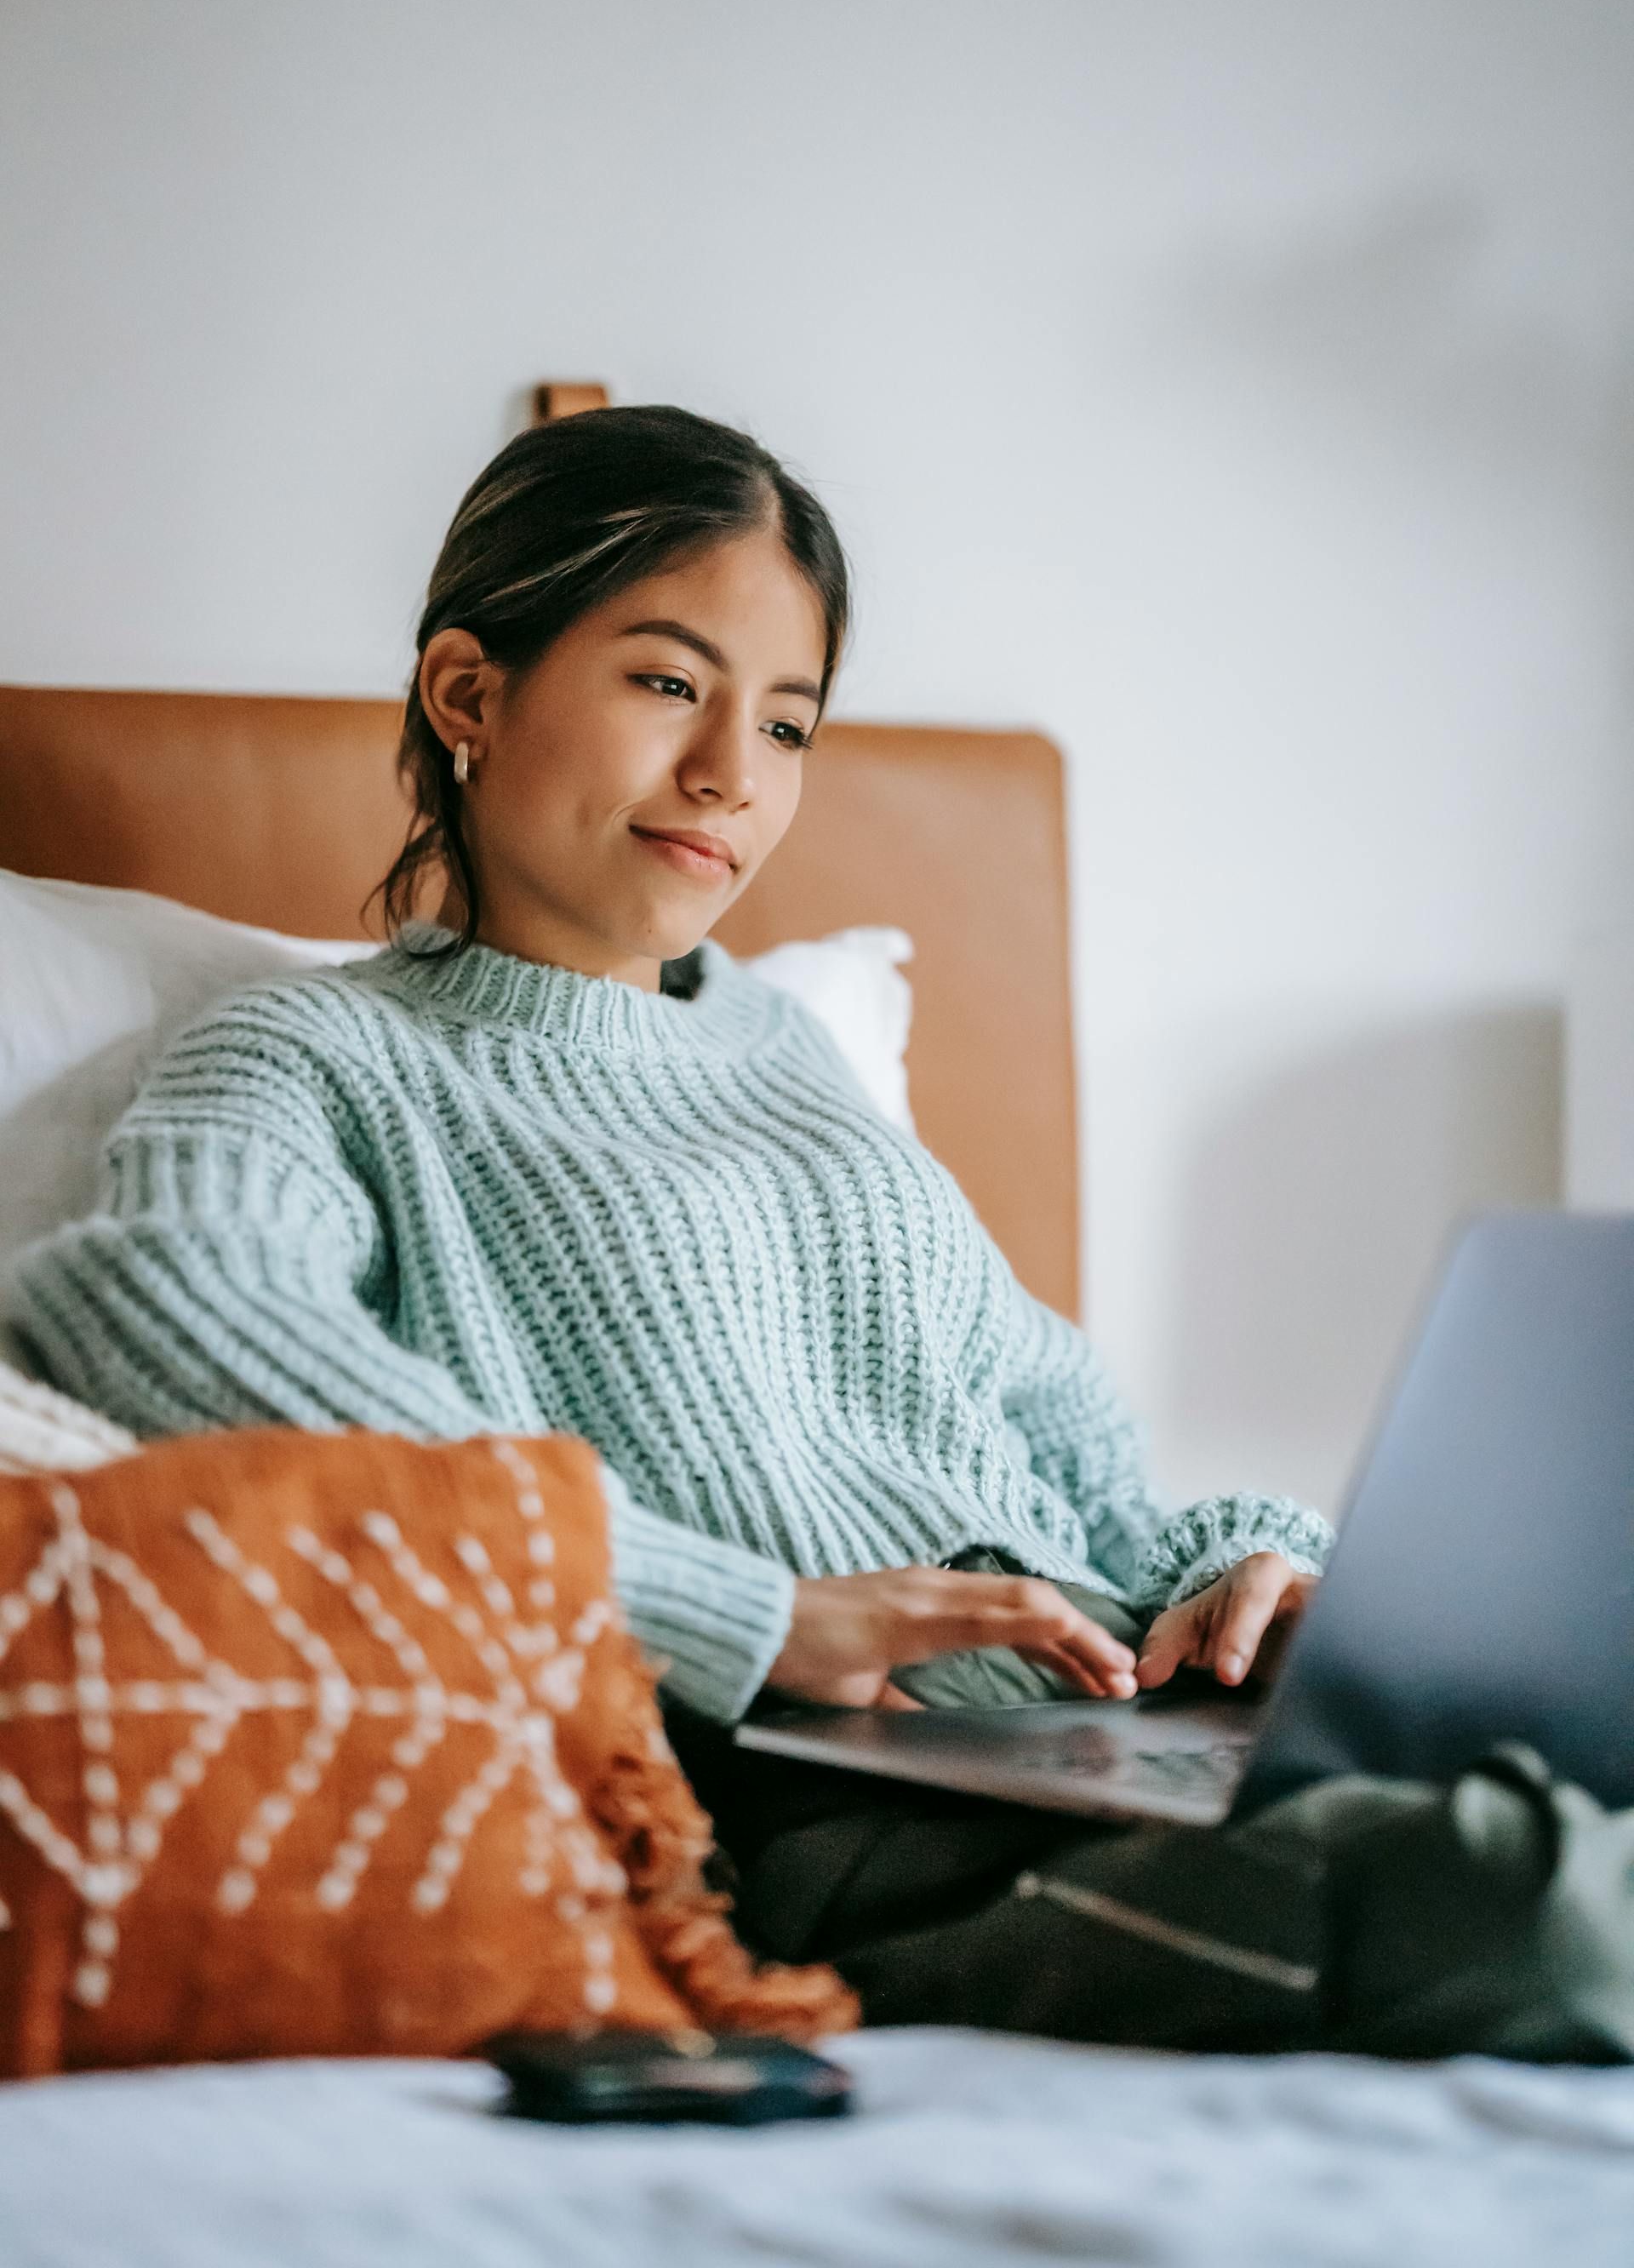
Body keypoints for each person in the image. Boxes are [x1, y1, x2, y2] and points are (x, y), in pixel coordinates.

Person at [17, 408, 1631, 2059]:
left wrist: (1251, 1575)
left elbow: (1065, 1451)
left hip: (1104, 1734)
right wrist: (740, 1615)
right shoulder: (327, 1055)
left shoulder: (789, 1056)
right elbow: (158, 1294)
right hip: (808, 1824)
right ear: (469, 695)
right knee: (1529, 1892)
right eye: (667, 682)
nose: (732, 772)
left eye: (787, 723)